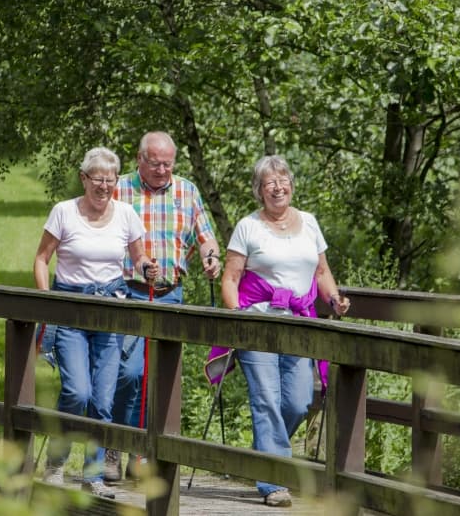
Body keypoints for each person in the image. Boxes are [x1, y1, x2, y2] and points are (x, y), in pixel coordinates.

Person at [220, 154, 350, 508]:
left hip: (299, 323)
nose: (278, 188)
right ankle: (273, 481)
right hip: (259, 323)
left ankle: (264, 453)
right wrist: (239, 319)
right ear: (259, 191)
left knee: (297, 401)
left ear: (291, 185)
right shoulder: (248, 226)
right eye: (269, 183)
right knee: (265, 399)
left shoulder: (309, 222)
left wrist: (335, 299)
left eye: (283, 181)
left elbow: (321, 272)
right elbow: (230, 280)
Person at [33, 146, 159, 499]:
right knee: (77, 392)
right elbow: (42, 259)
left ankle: (93, 475)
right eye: (97, 179)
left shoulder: (126, 214)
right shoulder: (64, 212)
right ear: (83, 178)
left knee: (103, 400)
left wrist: (147, 266)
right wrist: (47, 299)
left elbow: (138, 257)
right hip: (71, 310)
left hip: (111, 309)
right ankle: (56, 464)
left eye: (110, 180)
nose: (104, 186)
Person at [103, 131, 221, 482]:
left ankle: (142, 454)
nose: (162, 170)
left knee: (161, 378)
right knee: (127, 373)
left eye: (168, 163)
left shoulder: (186, 190)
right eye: (155, 163)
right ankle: (114, 446)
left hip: (170, 296)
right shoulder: (119, 188)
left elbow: (206, 236)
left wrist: (211, 257)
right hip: (127, 291)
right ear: (139, 159)